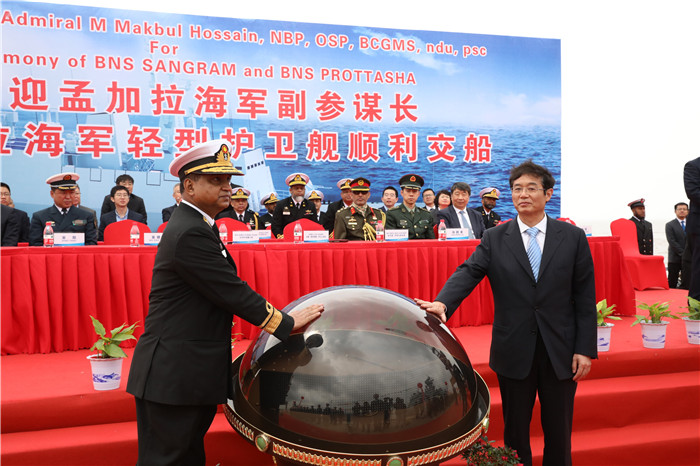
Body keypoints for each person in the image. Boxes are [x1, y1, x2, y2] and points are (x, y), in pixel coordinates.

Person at [126, 139, 324, 466]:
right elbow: (230, 290)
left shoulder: (199, 224)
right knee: (169, 458)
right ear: (189, 186)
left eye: (228, 180)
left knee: (187, 456)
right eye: (216, 180)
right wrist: (285, 323)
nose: (227, 187)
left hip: (186, 373)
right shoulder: (190, 231)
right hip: (174, 375)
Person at [416, 160, 596, 466]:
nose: (523, 195)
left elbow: (584, 295)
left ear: (548, 194)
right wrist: (443, 303)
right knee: (515, 432)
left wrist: (584, 349)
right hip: (514, 348)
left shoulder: (572, 237)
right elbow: (469, 271)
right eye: (517, 189)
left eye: (531, 188)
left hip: (561, 350)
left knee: (559, 431)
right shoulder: (496, 237)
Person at [29, 173, 98, 246]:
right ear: (52, 194)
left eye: (71, 192)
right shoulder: (40, 217)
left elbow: (91, 244)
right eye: (63, 193)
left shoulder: (86, 216)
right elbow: (35, 245)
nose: (68, 197)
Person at [386, 174, 435, 239]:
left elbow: (431, 240)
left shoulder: (426, 214)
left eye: (414, 191)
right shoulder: (392, 214)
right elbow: (391, 240)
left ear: (418, 194)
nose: (411, 194)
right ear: (402, 193)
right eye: (408, 191)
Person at [271, 173, 317, 238]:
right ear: (290, 190)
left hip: (305, 239)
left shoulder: (310, 205)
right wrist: (282, 236)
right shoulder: (281, 204)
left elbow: (314, 224)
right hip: (286, 239)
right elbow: (275, 226)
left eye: (302, 188)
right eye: (296, 188)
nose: (299, 190)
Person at [665, 202, 688, 289]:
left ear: (688, 211)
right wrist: (683, 253)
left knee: (687, 282)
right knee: (672, 282)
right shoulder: (670, 225)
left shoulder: (692, 224)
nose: (682, 211)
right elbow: (672, 241)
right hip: (675, 258)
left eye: (684, 209)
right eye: (680, 209)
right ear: (675, 211)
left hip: (689, 259)